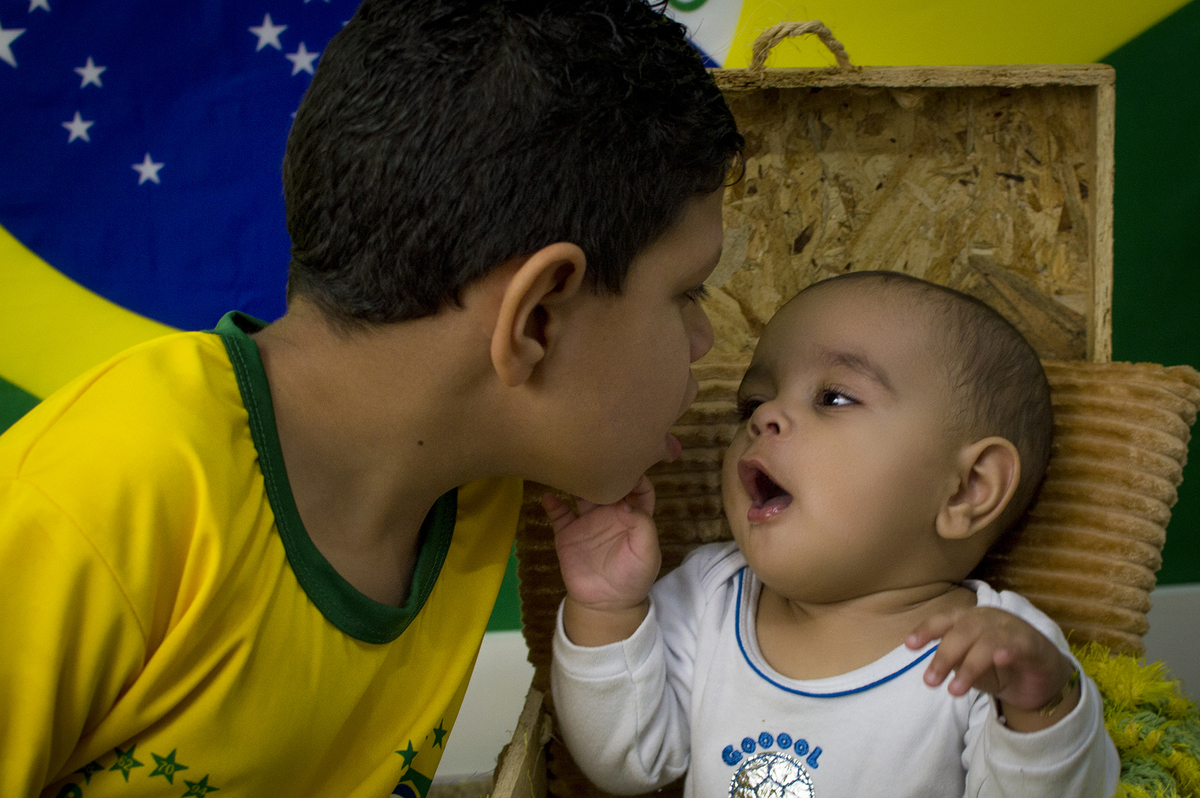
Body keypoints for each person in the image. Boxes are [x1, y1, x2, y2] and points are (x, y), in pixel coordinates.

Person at [0, 1, 743, 795]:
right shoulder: (102, 494)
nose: (704, 343)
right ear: (535, 319)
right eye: (687, 295)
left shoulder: (478, 484)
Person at [549, 271, 1120, 798]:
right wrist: (606, 610)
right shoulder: (711, 598)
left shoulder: (991, 652)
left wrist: (1041, 711)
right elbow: (626, 761)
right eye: (753, 400)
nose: (764, 416)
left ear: (967, 489)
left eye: (835, 397)